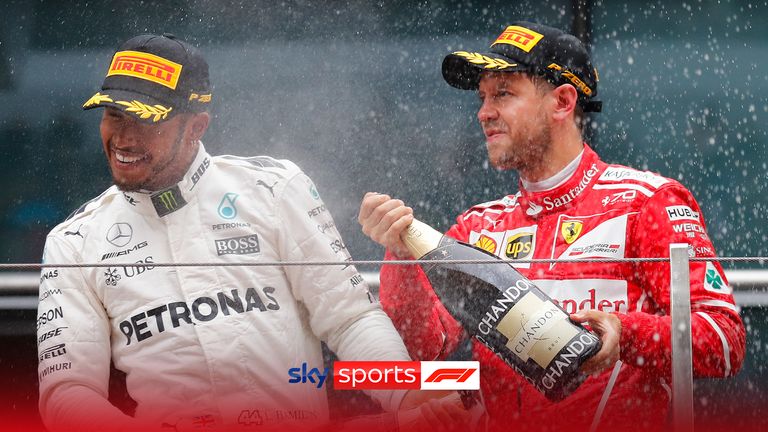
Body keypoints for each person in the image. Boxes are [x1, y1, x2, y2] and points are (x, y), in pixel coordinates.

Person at [37, 33, 467, 432]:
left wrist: (406, 395)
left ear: (196, 127)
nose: (123, 137)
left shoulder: (274, 188)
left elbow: (349, 318)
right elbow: (66, 393)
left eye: (146, 120)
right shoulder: (73, 241)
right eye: (113, 115)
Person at [358, 22, 746, 432]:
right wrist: (401, 257)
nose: (484, 112)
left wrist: (624, 334)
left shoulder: (646, 202)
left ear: (562, 102)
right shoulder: (477, 226)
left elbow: (724, 341)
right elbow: (425, 352)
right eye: (483, 97)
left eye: (503, 93)